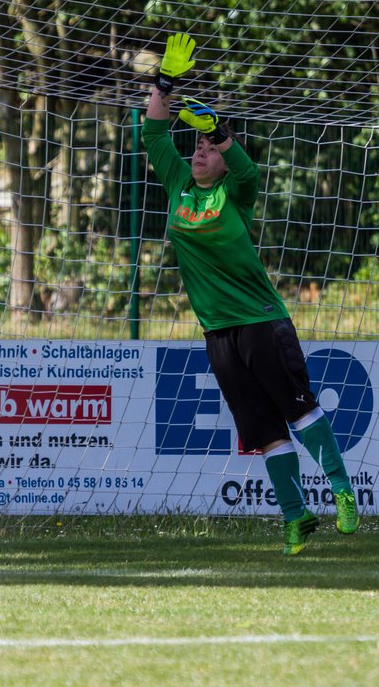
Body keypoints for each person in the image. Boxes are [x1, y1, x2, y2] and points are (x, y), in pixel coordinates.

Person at [142, 33, 359, 555]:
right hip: (218, 333)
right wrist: (165, 83)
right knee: (264, 432)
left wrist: (218, 130)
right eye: (194, 146)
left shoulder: (234, 192)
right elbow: (153, 131)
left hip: (262, 321)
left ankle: (342, 488)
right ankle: (295, 518)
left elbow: (247, 168)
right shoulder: (178, 185)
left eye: (207, 148)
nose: (198, 152)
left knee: (299, 408)